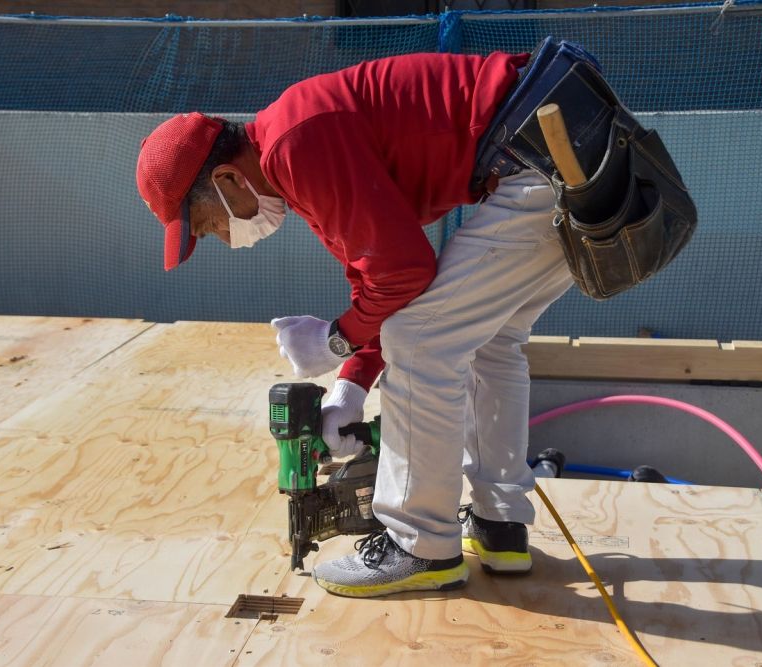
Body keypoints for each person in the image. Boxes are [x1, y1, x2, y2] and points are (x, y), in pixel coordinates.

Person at [136, 43, 605, 598]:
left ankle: (419, 545)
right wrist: (351, 384)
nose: (222, 239)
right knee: (489, 340)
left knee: (421, 341)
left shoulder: (295, 146)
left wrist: (334, 340)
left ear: (228, 181)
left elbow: (405, 276)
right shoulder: (294, 155)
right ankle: (500, 525)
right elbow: (381, 284)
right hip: (566, 149)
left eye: (209, 224)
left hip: (544, 156)